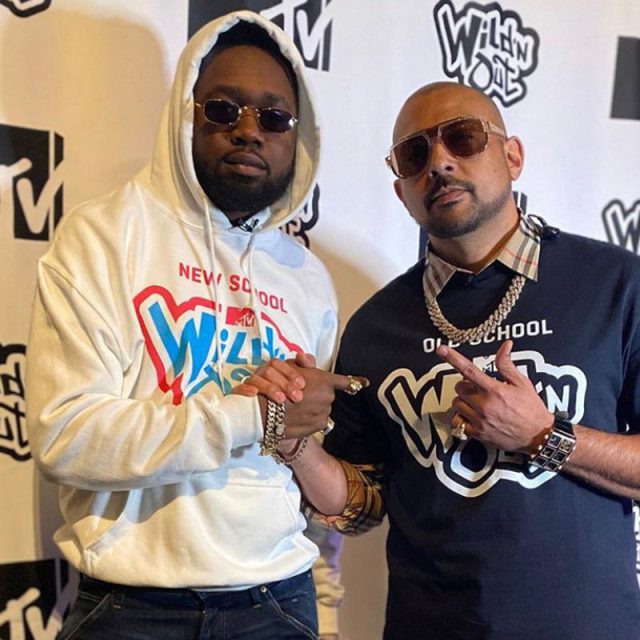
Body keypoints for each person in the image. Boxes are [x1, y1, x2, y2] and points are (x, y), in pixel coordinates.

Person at [243, 81, 640, 639]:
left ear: (512, 156)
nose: (440, 163)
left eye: (463, 137)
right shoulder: (376, 326)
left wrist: (542, 435)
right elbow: (361, 508)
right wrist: (295, 444)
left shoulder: (614, 284)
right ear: (401, 191)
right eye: (415, 154)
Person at [25, 11, 354, 640]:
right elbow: (65, 435)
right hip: (133, 609)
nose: (249, 131)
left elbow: (305, 466)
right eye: (224, 110)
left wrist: (327, 605)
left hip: (279, 602)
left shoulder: (307, 279)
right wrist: (251, 416)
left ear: (298, 137)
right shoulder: (102, 238)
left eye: (274, 118)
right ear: (186, 116)